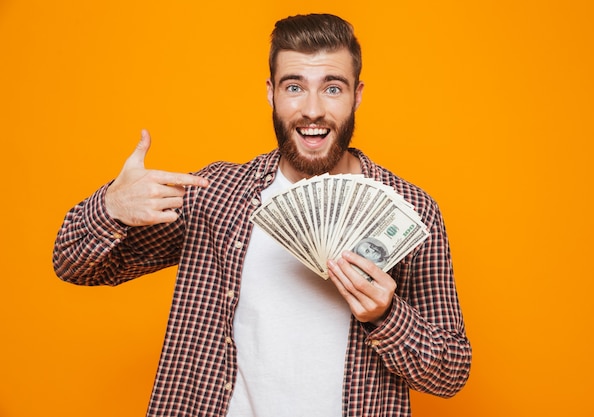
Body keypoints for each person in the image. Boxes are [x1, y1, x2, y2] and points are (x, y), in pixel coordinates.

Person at [53, 13, 472, 417]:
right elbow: (73, 263)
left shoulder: (412, 210)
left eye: (332, 88)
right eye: (294, 87)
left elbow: (451, 372)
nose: (312, 110)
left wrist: (387, 316)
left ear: (356, 95)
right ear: (271, 92)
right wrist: (111, 207)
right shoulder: (216, 196)